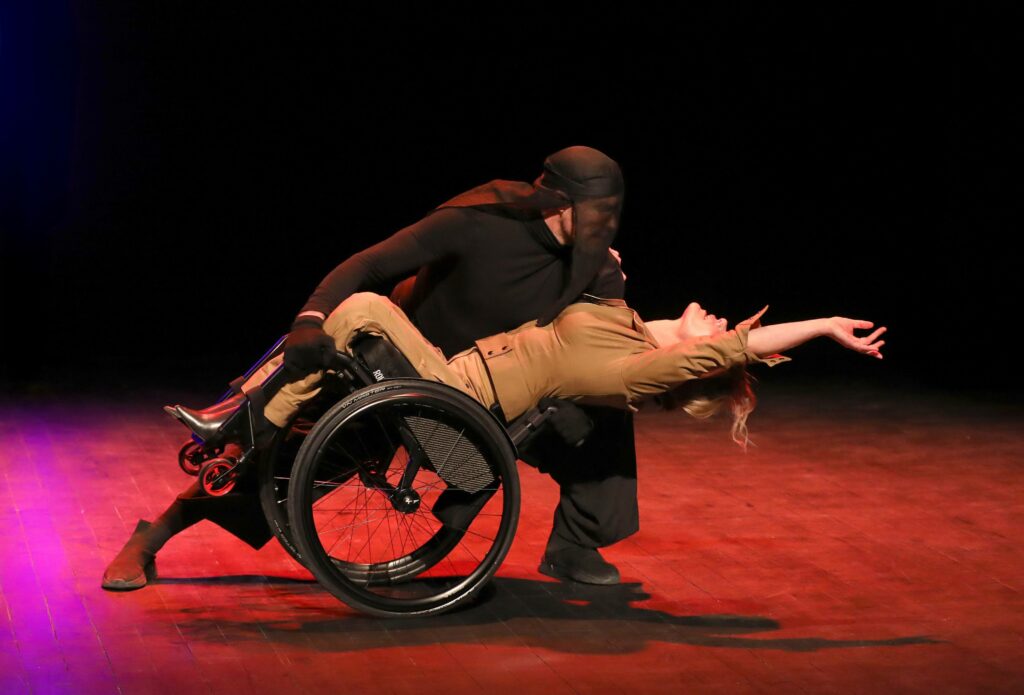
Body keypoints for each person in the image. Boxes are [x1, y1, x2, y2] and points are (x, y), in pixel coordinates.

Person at [102, 145, 638, 590]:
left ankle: (573, 546)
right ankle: (152, 537)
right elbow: (370, 264)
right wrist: (310, 321)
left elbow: (599, 349)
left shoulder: (596, 270)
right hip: (397, 367)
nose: (605, 226)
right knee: (281, 462)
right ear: (561, 204)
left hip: (490, 393)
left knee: (604, 418)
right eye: (598, 213)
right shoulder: (480, 222)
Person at [244, 292, 885, 445]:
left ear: (698, 365)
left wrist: (827, 326)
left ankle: (251, 421)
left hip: (460, 394)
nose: (722, 321)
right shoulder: (627, 324)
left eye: (723, 334)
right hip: (456, 372)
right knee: (341, 335)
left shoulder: (640, 371)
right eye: (725, 321)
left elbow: (736, 347)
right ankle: (248, 412)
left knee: (362, 308)